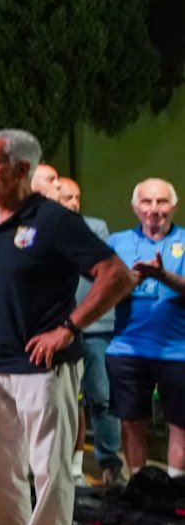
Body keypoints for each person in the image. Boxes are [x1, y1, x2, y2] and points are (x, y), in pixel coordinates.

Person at [0, 129, 131, 525]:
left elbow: (117, 275)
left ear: (20, 169)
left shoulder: (53, 221)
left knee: (48, 472)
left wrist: (69, 328)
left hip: (43, 369)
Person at [106, 178, 185, 479]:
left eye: (162, 202)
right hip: (127, 347)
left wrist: (162, 275)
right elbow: (102, 291)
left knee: (180, 423)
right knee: (131, 420)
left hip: (178, 350)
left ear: (174, 206)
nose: (155, 209)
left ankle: (177, 489)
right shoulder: (117, 242)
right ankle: (138, 485)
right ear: (135, 208)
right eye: (148, 202)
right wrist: (129, 282)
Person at [55, 176, 122, 485]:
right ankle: (72, 467)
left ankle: (110, 465)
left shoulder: (93, 227)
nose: (73, 203)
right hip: (57, 327)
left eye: (77, 198)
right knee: (68, 401)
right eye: (66, 197)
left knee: (101, 397)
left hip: (94, 327)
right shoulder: (42, 228)